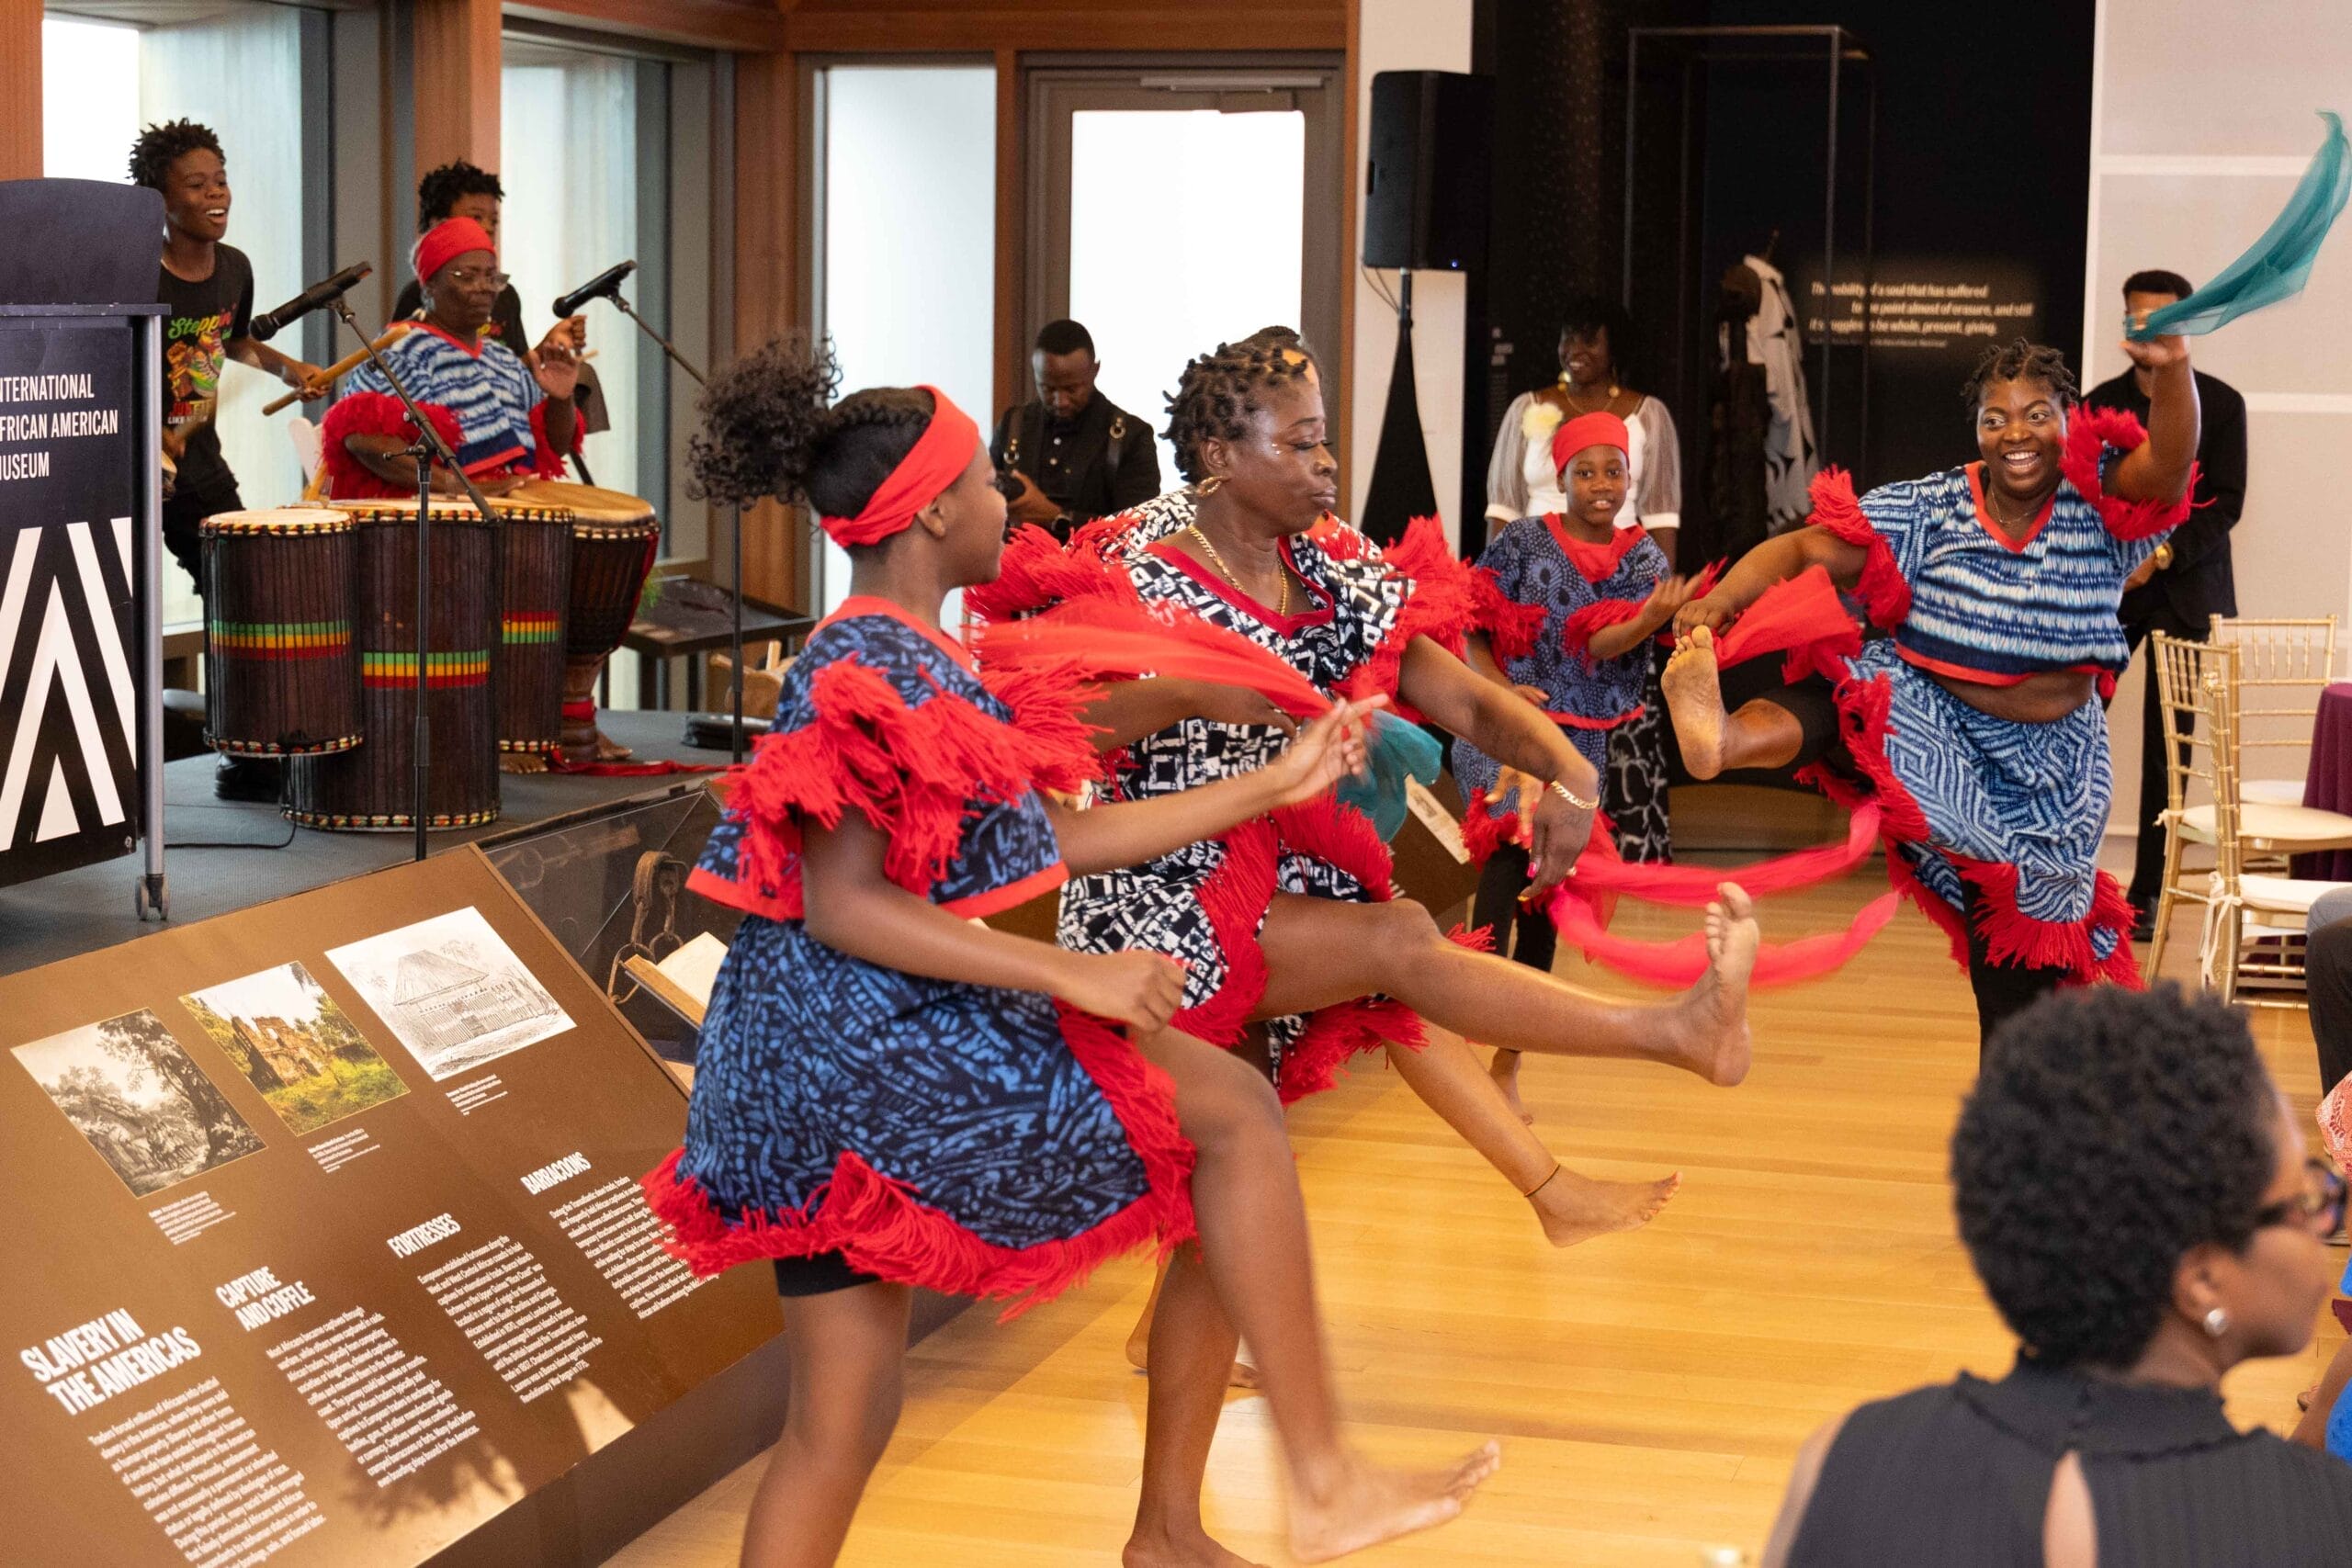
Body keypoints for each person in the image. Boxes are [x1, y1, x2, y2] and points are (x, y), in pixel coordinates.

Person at [646, 337, 1497, 1567]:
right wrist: (1071, 972)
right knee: (1234, 1113)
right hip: (851, 1051)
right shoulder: (862, 662)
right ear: (934, 511)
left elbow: (1049, 838)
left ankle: (1290, 1492)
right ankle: (1322, 1481)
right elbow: (845, 906)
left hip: (808, 1061)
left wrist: (1273, 783)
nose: (1010, 496)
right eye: (986, 479)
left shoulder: (914, 651)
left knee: (842, 1418)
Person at [977, 331, 1760, 1369]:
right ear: (1218, 454)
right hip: (1157, 896)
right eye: (1300, 444)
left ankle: (1176, 1433)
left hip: (1275, 866)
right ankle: (1665, 1038)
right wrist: (1190, 692)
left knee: (1232, 1190)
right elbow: (1051, 731)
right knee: (1394, 946)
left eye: (1325, 440)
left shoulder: (1330, 557)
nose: (1327, 464)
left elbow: (1458, 695)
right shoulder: (1137, 560)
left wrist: (1570, 774)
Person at [1658, 335, 2199, 1045]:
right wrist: (1723, 598)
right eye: (1995, 418)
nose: (2015, 433)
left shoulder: (2096, 496)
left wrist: (2172, 368)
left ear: (2067, 421)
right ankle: (1723, 738)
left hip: (2055, 778)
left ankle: (2017, 1099)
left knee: (2020, 958)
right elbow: (1804, 546)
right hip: (1938, 728)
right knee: (1857, 692)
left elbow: (2170, 466)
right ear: (1976, 428)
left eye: (2036, 414)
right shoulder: (1932, 506)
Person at [1762, 985, 2352, 1565]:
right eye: (2306, 1200)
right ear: (2202, 1281)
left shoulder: (1846, 1459)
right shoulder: (2324, 1519)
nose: (2330, 1217)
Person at [1455, 409, 1690, 1116]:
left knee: (1548, 894)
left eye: (1613, 470)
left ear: (1630, 478)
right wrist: (1499, 690)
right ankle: (1470, 1016)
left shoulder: (1642, 559)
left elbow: (1603, 643)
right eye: (1585, 471)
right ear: (1560, 479)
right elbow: (1469, 624)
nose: (1601, 484)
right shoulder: (1523, 542)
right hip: (1507, 731)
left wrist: (1651, 619)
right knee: (1508, 859)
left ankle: (1508, 1058)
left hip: (1580, 747)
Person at [131, 118, 332, 801]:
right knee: (120, 608)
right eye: (197, 184)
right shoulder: (137, 268)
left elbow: (234, 341)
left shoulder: (234, 267)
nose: (217, 193)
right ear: (161, 200)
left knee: (243, 593)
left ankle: (248, 755)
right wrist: (147, 434)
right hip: (127, 471)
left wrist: (288, 368)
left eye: (220, 179)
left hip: (199, 467)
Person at [1484, 298, 1685, 863]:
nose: (1576, 350)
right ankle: (1523, 848)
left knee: (1615, 731)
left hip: (1616, 582)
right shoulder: (1529, 407)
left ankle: (1618, 855)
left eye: (1589, 339)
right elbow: (1502, 507)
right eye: (1568, 338)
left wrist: (1657, 603)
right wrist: (1495, 601)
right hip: (1534, 581)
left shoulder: (1646, 413)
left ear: (1613, 346)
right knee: (1528, 737)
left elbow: (1662, 516)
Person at [2084, 268, 2249, 940]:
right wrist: (2115, 560)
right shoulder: (2098, 405)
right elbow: (2085, 498)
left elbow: (2226, 503)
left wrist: (2158, 556)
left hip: (2186, 590)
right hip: (2108, 595)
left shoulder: (2223, 404)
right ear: (2124, 322)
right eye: (2139, 318)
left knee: (2168, 749)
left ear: (2188, 323)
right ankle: (2061, 878)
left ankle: (2148, 892)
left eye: (2165, 319)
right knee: (2072, 727)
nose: (2150, 331)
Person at [320, 216, 581, 498]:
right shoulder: (401, 351)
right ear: (429, 286)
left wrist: (561, 399)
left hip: (514, 508)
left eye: (492, 277)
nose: (484, 287)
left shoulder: (502, 359)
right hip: (435, 516)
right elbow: (362, 439)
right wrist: (466, 489)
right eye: (467, 277)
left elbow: (554, 446)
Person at [990, 318, 1160, 541]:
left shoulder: (1132, 437)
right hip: (1014, 560)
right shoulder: (1013, 425)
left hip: (1096, 563)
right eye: (1047, 388)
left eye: (1072, 389)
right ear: (1035, 372)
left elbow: (1140, 532)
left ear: (1095, 370)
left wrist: (1055, 516)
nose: (1060, 401)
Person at [391, 162, 529, 352]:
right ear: (439, 226)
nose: (488, 228)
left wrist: (541, 356)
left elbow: (513, 362)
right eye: (476, 218)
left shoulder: (506, 296)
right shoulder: (421, 294)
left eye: (493, 221)